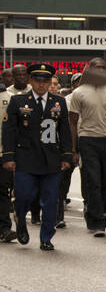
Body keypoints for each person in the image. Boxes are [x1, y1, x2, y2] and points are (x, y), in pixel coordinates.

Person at [1, 62, 73, 250]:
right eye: (38, 80)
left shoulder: (58, 102)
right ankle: (21, 223)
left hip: (51, 159)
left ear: (50, 82)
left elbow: (65, 131)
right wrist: (8, 156)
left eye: (46, 81)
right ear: (31, 81)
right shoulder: (18, 101)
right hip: (25, 158)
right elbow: (9, 130)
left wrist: (67, 155)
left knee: (50, 200)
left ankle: (46, 237)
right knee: (23, 196)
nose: (42, 84)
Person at [66, 57, 106, 237]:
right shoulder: (79, 92)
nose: (100, 71)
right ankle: (97, 222)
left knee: (105, 180)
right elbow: (72, 122)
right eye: (96, 67)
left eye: (103, 68)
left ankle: (98, 210)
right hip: (87, 139)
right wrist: (73, 149)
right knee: (93, 180)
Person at [0, 64, 32, 243]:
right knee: (4, 191)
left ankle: (11, 226)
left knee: (12, 191)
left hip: (11, 152)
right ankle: (5, 227)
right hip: (8, 152)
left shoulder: (11, 98)